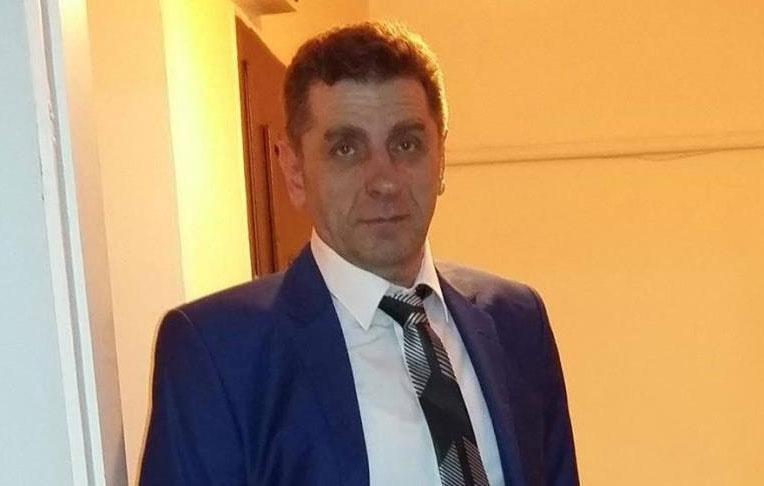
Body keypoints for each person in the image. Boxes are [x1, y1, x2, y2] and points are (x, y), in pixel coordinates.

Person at [141, 22, 578, 486]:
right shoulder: (219, 352)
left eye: (406, 144)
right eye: (346, 149)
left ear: (441, 158)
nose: (384, 181)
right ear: (294, 171)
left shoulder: (516, 322)